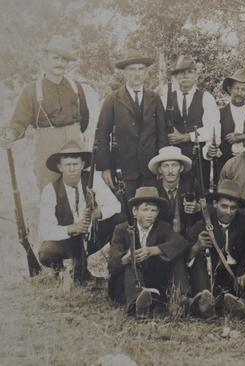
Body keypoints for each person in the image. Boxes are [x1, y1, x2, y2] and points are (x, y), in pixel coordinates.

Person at [1, 36, 90, 191]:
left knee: (80, 191)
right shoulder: (31, 90)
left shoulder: (76, 87)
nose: (60, 63)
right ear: (44, 60)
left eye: (64, 60)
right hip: (47, 147)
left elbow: (84, 118)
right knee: (49, 192)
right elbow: (19, 121)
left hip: (74, 145)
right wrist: (11, 134)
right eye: (55, 58)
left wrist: (72, 134)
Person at [38, 141, 123, 282]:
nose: (72, 169)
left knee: (121, 220)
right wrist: (71, 229)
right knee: (46, 252)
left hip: (92, 237)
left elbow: (116, 205)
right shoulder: (50, 190)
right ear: (60, 167)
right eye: (67, 165)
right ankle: (62, 270)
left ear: (83, 165)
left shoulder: (93, 179)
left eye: (76, 164)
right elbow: (45, 229)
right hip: (67, 240)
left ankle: (113, 264)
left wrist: (99, 213)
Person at [185, 180, 245, 319]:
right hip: (212, 279)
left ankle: (241, 304)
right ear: (215, 204)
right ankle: (203, 301)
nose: (228, 212)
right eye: (224, 206)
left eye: (233, 208)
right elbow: (185, 256)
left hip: (236, 277)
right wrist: (196, 247)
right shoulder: (202, 224)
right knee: (198, 258)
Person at [108, 187, 191, 317]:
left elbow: (181, 243)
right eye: (145, 209)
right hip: (128, 284)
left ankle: (181, 298)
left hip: (154, 281)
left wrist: (154, 250)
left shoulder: (163, 227)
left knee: (175, 255)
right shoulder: (122, 229)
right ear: (135, 211)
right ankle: (137, 304)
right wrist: (127, 258)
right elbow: (112, 264)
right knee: (131, 264)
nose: (150, 214)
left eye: (154, 210)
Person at [95, 49, 168, 198]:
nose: (137, 73)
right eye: (132, 69)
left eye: (141, 69)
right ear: (124, 73)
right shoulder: (113, 99)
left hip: (150, 168)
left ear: (146, 72)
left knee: (149, 206)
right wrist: (105, 168)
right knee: (125, 211)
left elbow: (162, 134)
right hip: (123, 169)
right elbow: (102, 134)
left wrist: (162, 164)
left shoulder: (154, 98)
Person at [162, 55, 221, 188]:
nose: (185, 76)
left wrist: (186, 137)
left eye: (189, 72)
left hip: (198, 158)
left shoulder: (206, 97)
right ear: (176, 76)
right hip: (173, 159)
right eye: (181, 73)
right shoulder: (165, 98)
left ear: (195, 75)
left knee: (199, 194)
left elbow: (212, 129)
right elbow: (160, 125)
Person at [148, 146, 201, 236]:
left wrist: (197, 207)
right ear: (160, 170)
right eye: (165, 166)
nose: (170, 171)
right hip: (161, 238)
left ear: (181, 168)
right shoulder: (153, 189)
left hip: (187, 236)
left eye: (174, 165)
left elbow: (209, 207)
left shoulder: (191, 184)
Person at [211, 69, 245, 167]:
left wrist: (242, 137)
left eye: (243, 89)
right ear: (230, 89)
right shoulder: (219, 113)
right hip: (225, 164)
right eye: (236, 88)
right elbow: (213, 140)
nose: (239, 92)